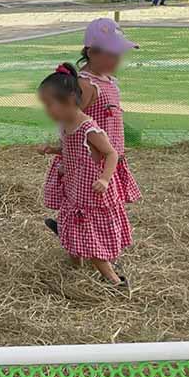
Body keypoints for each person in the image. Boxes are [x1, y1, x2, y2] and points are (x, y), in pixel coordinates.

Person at [43, 18, 141, 235]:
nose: (117, 60)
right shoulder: (85, 85)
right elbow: (70, 121)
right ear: (91, 52)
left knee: (104, 207)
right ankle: (80, 243)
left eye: (119, 54)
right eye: (111, 54)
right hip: (89, 161)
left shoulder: (108, 80)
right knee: (86, 207)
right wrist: (67, 152)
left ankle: (84, 241)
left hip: (108, 156)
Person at [38, 63, 131, 286]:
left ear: (70, 100)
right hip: (76, 189)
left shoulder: (89, 128)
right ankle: (75, 266)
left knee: (91, 239)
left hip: (92, 193)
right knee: (73, 228)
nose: (47, 110)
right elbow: (73, 149)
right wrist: (53, 150)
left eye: (50, 104)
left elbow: (111, 154)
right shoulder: (67, 125)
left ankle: (114, 281)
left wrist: (105, 178)